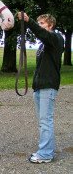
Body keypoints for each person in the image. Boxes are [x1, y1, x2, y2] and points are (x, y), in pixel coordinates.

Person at [17, 12, 64, 163]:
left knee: (45, 121)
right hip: (40, 87)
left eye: (42, 23)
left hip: (48, 87)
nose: (39, 26)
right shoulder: (45, 44)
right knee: (43, 121)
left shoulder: (55, 38)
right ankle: (46, 150)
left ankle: (45, 154)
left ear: (50, 25)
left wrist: (29, 21)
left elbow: (42, 34)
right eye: (39, 23)